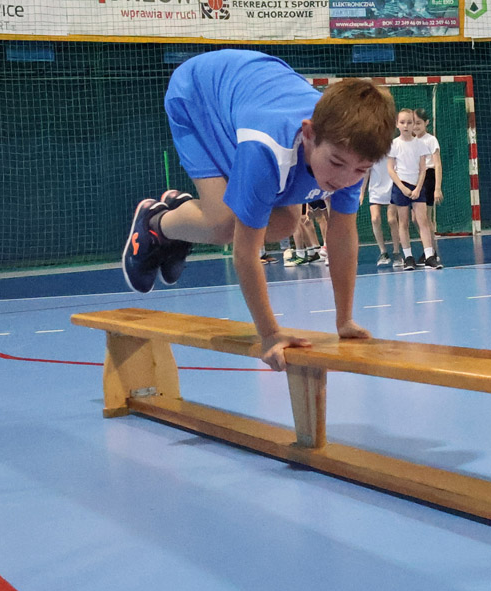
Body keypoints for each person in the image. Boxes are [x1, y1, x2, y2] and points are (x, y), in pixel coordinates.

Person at [121, 49, 394, 371]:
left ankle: (185, 221)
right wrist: (269, 334)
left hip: (253, 91)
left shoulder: (348, 153)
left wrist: (344, 319)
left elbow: (343, 235)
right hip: (199, 94)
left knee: (284, 225)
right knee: (223, 223)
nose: (345, 179)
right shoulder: (266, 150)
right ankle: (157, 224)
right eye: (336, 163)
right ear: (309, 134)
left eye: (361, 170)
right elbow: (245, 252)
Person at [388, 108, 441, 269]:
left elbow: (423, 168)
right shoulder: (394, 144)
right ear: (397, 124)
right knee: (403, 222)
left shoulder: (420, 144)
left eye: (409, 122)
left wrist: (418, 188)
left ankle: (430, 256)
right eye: (402, 122)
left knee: (423, 220)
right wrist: (403, 188)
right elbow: (390, 169)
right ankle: (408, 257)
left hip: (418, 187)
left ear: (414, 124)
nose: (406, 126)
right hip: (401, 187)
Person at [413, 108, 443, 260]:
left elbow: (437, 164)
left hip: (429, 178)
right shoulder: (411, 141)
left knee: (425, 218)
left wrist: (437, 188)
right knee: (415, 218)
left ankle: (432, 252)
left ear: (426, 123)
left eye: (419, 123)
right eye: (414, 123)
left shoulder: (431, 140)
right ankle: (428, 248)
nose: (415, 126)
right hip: (415, 178)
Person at [365, 145, 400, 266]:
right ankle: (383, 252)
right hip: (375, 189)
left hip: (392, 187)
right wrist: (361, 192)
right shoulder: (371, 150)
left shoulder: (395, 147)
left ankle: (397, 252)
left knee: (392, 220)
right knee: (375, 219)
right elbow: (366, 172)